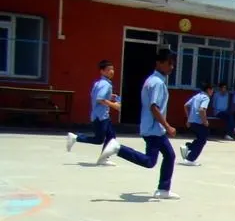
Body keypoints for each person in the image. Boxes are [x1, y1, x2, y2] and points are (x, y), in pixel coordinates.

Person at [98, 48, 180, 200]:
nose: (172, 67)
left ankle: (163, 189)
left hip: (153, 128)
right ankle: (118, 148)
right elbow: (154, 107)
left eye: (173, 64)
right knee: (150, 161)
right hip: (154, 129)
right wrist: (168, 126)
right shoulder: (157, 83)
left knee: (169, 155)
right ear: (159, 63)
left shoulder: (152, 80)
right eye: (169, 63)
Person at [66, 59, 120, 165]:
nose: (111, 71)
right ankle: (76, 137)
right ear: (102, 71)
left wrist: (111, 96)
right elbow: (100, 99)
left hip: (100, 115)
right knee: (99, 140)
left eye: (112, 69)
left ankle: (104, 159)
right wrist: (114, 105)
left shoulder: (99, 83)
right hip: (101, 117)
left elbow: (96, 96)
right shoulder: (105, 84)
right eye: (108, 70)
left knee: (111, 137)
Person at [179, 82, 213, 166]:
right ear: (208, 90)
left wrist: (188, 118)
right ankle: (190, 159)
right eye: (212, 90)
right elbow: (202, 110)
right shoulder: (206, 97)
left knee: (200, 139)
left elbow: (186, 105)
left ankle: (188, 147)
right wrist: (205, 121)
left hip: (192, 122)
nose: (212, 92)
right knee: (202, 140)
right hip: (199, 122)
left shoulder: (196, 96)